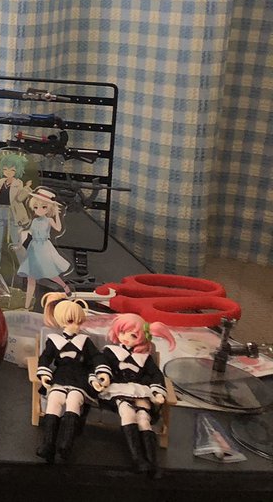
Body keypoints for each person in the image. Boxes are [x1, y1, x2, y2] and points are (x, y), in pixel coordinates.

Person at [92, 313, 176, 476]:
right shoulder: (111, 352)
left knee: (144, 419)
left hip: (140, 391)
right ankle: (138, 459)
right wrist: (103, 376)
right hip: (118, 390)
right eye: (122, 332)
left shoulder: (144, 358)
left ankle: (153, 462)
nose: (125, 338)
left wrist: (158, 392)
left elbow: (156, 375)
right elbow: (100, 363)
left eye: (132, 335)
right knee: (127, 413)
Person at [34, 293, 98, 463]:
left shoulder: (85, 341)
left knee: (73, 401)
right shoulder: (54, 340)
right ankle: (48, 445)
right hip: (60, 376)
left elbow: (96, 358)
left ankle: (66, 446)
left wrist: (101, 374)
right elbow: (45, 358)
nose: (75, 326)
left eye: (79, 322)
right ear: (62, 321)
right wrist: (44, 374)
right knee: (54, 400)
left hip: (79, 378)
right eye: (71, 321)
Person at [16, 187, 72, 308]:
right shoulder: (34, 221)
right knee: (31, 277)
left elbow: (58, 228)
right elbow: (30, 233)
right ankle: (27, 305)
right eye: (36, 207)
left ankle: (64, 286)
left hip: (44, 248)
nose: (39, 210)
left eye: (44, 207)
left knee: (50, 273)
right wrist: (21, 235)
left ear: (49, 208)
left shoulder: (49, 220)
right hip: (33, 248)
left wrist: (57, 215)